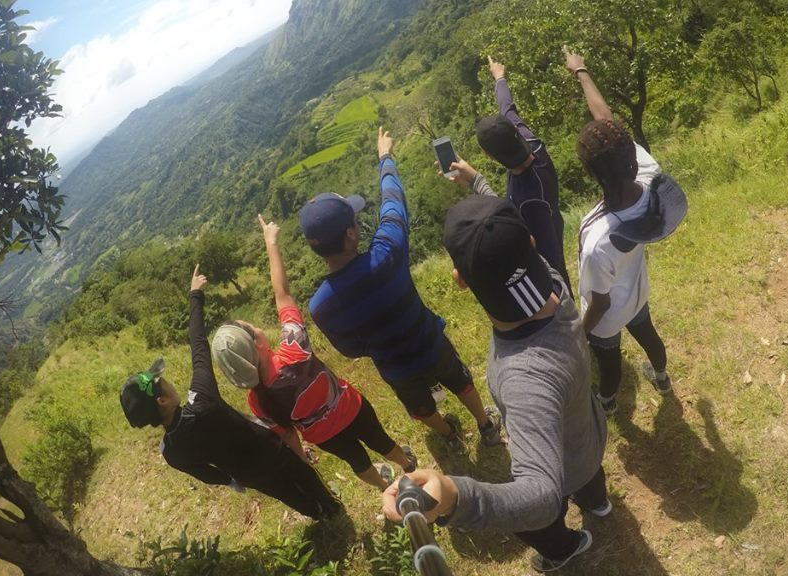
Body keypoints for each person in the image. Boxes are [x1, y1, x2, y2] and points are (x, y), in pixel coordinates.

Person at [382, 195, 608, 573]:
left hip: (562, 468)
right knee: (591, 481)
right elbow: (514, 246)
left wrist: (456, 496)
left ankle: (565, 548)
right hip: (589, 434)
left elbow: (542, 497)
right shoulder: (553, 283)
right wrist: (478, 186)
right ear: (531, 245)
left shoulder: (525, 379)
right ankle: (599, 503)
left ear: (460, 281)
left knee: (536, 528)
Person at [301, 127, 502, 450]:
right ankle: (485, 424)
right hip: (429, 341)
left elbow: (350, 350)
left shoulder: (320, 305)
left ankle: (449, 435)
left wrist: (381, 345)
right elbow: (393, 202)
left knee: (420, 409)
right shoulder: (387, 253)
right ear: (351, 233)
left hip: (395, 366)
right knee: (460, 381)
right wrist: (385, 157)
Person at [209, 214, 418, 491]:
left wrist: (302, 458)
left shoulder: (256, 400)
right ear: (257, 344)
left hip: (323, 436)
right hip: (352, 408)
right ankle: (407, 465)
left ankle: (383, 486)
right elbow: (281, 293)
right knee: (381, 440)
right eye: (252, 328)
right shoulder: (294, 348)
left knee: (356, 461)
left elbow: (287, 433)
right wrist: (271, 243)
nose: (257, 327)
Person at [119, 264, 341, 520]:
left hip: (249, 474)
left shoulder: (171, 452)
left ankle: (318, 514)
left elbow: (206, 474)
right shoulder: (202, 399)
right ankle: (331, 507)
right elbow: (198, 344)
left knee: (284, 493)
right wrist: (195, 295)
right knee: (302, 475)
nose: (167, 381)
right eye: (163, 382)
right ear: (163, 400)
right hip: (271, 450)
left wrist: (229, 479)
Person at [565, 49, 685, 415]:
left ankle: (607, 402)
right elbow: (607, 119)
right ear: (633, 159)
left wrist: (583, 334)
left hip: (608, 313)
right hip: (637, 293)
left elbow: (599, 302)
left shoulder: (600, 237)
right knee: (649, 337)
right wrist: (582, 70)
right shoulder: (650, 178)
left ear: (593, 175)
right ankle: (662, 377)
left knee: (611, 362)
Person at [444, 56, 573, 297]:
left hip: (545, 247)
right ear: (515, 130)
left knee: (559, 277)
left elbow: (506, 219)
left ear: (490, 156)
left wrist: (475, 180)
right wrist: (499, 77)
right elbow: (507, 108)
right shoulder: (532, 142)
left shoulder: (527, 200)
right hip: (553, 216)